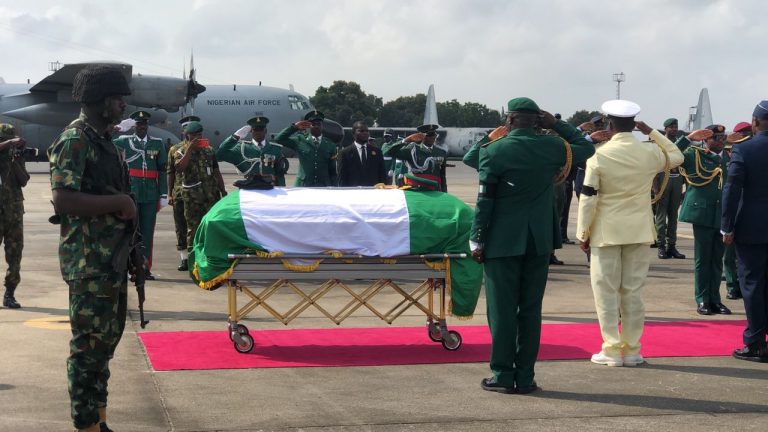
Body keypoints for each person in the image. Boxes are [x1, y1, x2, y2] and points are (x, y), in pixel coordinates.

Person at [470, 97, 595, 394]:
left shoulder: (494, 150)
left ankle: (502, 374)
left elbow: (483, 195)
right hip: (539, 240)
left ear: (509, 120)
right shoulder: (553, 147)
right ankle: (525, 376)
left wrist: (477, 237)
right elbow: (586, 148)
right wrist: (558, 125)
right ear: (538, 120)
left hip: (501, 240)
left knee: (501, 310)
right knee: (530, 309)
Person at [48, 64, 136, 432]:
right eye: (117, 99)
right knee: (88, 349)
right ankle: (85, 425)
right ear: (99, 102)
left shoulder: (105, 143)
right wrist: (121, 205)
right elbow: (64, 200)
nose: (122, 107)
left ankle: (99, 421)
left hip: (110, 260)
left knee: (104, 346)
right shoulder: (75, 141)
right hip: (88, 261)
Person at [577, 100, 684, 368]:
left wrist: (582, 233)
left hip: (606, 231)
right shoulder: (648, 152)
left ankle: (612, 349)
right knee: (633, 292)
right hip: (639, 230)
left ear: (609, 124)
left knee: (606, 291)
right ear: (634, 124)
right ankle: (634, 350)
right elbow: (677, 155)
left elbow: (588, 198)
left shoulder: (599, 155)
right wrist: (652, 132)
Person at [722, 101, 768, 363]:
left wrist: (727, 225)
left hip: (750, 228)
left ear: (754, 122)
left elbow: (732, 190)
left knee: (751, 284)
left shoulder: (744, 149)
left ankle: (755, 343)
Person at [676, 124, 732, 316]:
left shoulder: (729, 157)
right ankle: (702, 299)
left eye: (722, 137)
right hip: (702, 214)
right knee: (703, 260)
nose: (720, 140)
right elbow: (671, 155)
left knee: (717, 260)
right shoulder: (694, 155)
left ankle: (715, 300)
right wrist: (688, 138)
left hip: (722, 215)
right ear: (705, 140)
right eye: (715, 137)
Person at [112, 110, 168, 280]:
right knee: (130, 231)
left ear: (147, 126)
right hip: (132, 195)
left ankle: (144, 267)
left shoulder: (157, 144)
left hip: (150, 195)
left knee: (147, 232)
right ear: (134, 127)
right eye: (138, 124)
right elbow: (104, 140)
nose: (142, 127)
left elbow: (162, 170)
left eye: (144, 124)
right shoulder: (124, 142)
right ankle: (129, 266)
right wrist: (117, 129)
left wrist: (164, 193)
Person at [174, 120, 227, 256]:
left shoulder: (208, 150)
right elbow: (180, 168)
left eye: (200, 135)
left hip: (210, 196)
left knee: (211, 227)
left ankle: (210, 257)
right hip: (192, 199)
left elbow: (216, 171)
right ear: (187, 136)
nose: (198, 138)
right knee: (193, 229)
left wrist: (223, 190)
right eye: (194, 135)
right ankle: (193, 260)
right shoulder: (180, 151)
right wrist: (190, 149)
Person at [216, 116, 288, 186]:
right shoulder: (242, 148)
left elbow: (280, 174)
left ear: (265, 131)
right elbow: (219, 155)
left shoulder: (275, 149)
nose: (258, 132)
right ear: (251, 131)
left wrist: (280, 189)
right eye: (255, 129)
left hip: (270, 189)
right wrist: (234, 137)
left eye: (261, 129)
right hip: (250, 189)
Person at [274, 110, 338, 186]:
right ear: (308, 126)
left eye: (319, 124)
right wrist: (294, 127)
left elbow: (333, 171)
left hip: (323, 186)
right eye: (313, 124)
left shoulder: (330, 145)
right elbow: (278, 139)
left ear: (322, 126)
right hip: (303, 185)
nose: (316, 126)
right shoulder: (300, 140)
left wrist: (335, 188)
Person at [0, 124, 26, 309]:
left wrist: (16, 161)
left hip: (13, 212)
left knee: (15, 254)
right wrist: (7, 143)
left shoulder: (14, 157)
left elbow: (23, 180)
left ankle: (10, 293)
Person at [653, 118, 686, 259]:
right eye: (671, 127)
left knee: (673, 216)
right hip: (663, 180)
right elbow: (654, 166)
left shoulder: (682, 144)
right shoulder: (659, 144)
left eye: (675, 126)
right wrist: (655, 187)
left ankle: (671, 246)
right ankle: (660, 245)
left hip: (677, 180)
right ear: (665, 129)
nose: (674, 129)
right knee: (661, 215)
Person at [167, 116, 197, 271]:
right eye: (187, 130)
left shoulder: (207, 150)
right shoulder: (175, 150)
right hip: (181, 194)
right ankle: (184, 258)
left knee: (198, 227)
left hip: (201, 196)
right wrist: (169, 193)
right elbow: (171, 172)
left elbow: (214, 171)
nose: (189, 134)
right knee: (181, 226)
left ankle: (196, 257)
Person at [382, 124, 448, 192]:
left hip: (435, 189)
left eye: (434, 135)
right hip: (418, 189)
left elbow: (442, 176)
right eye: (429, 135)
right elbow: (389, 152)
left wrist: (445, 193)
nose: (433, 137)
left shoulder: (441, 153)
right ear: (421, 136)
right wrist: (406, 140)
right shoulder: (412, 150)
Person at [338, 121, 387, 186]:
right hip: (353, 193)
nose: (365, 133)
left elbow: (382, 175)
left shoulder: (377, 152)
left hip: (373, 192)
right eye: (361, 131)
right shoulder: (345, 153)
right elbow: (342, 178)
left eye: (367, 131)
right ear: (353, 133)